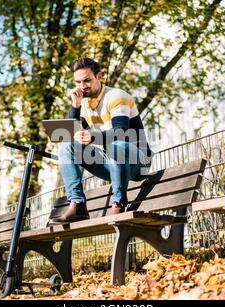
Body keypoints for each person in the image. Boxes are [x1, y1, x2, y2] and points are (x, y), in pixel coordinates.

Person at [48, 57, 152, 225]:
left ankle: (118, 204)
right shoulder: (85, 104)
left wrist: (93, 137)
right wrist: (75, 106)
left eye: (87, 80)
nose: (82, 86)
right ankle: (78, 205)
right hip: (112, 164)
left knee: (116, 145)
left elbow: (121, 132)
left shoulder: (116, 96)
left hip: (137, 161)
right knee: (67, 145)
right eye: (78, 82)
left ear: (99, 76)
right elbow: (69, 134)